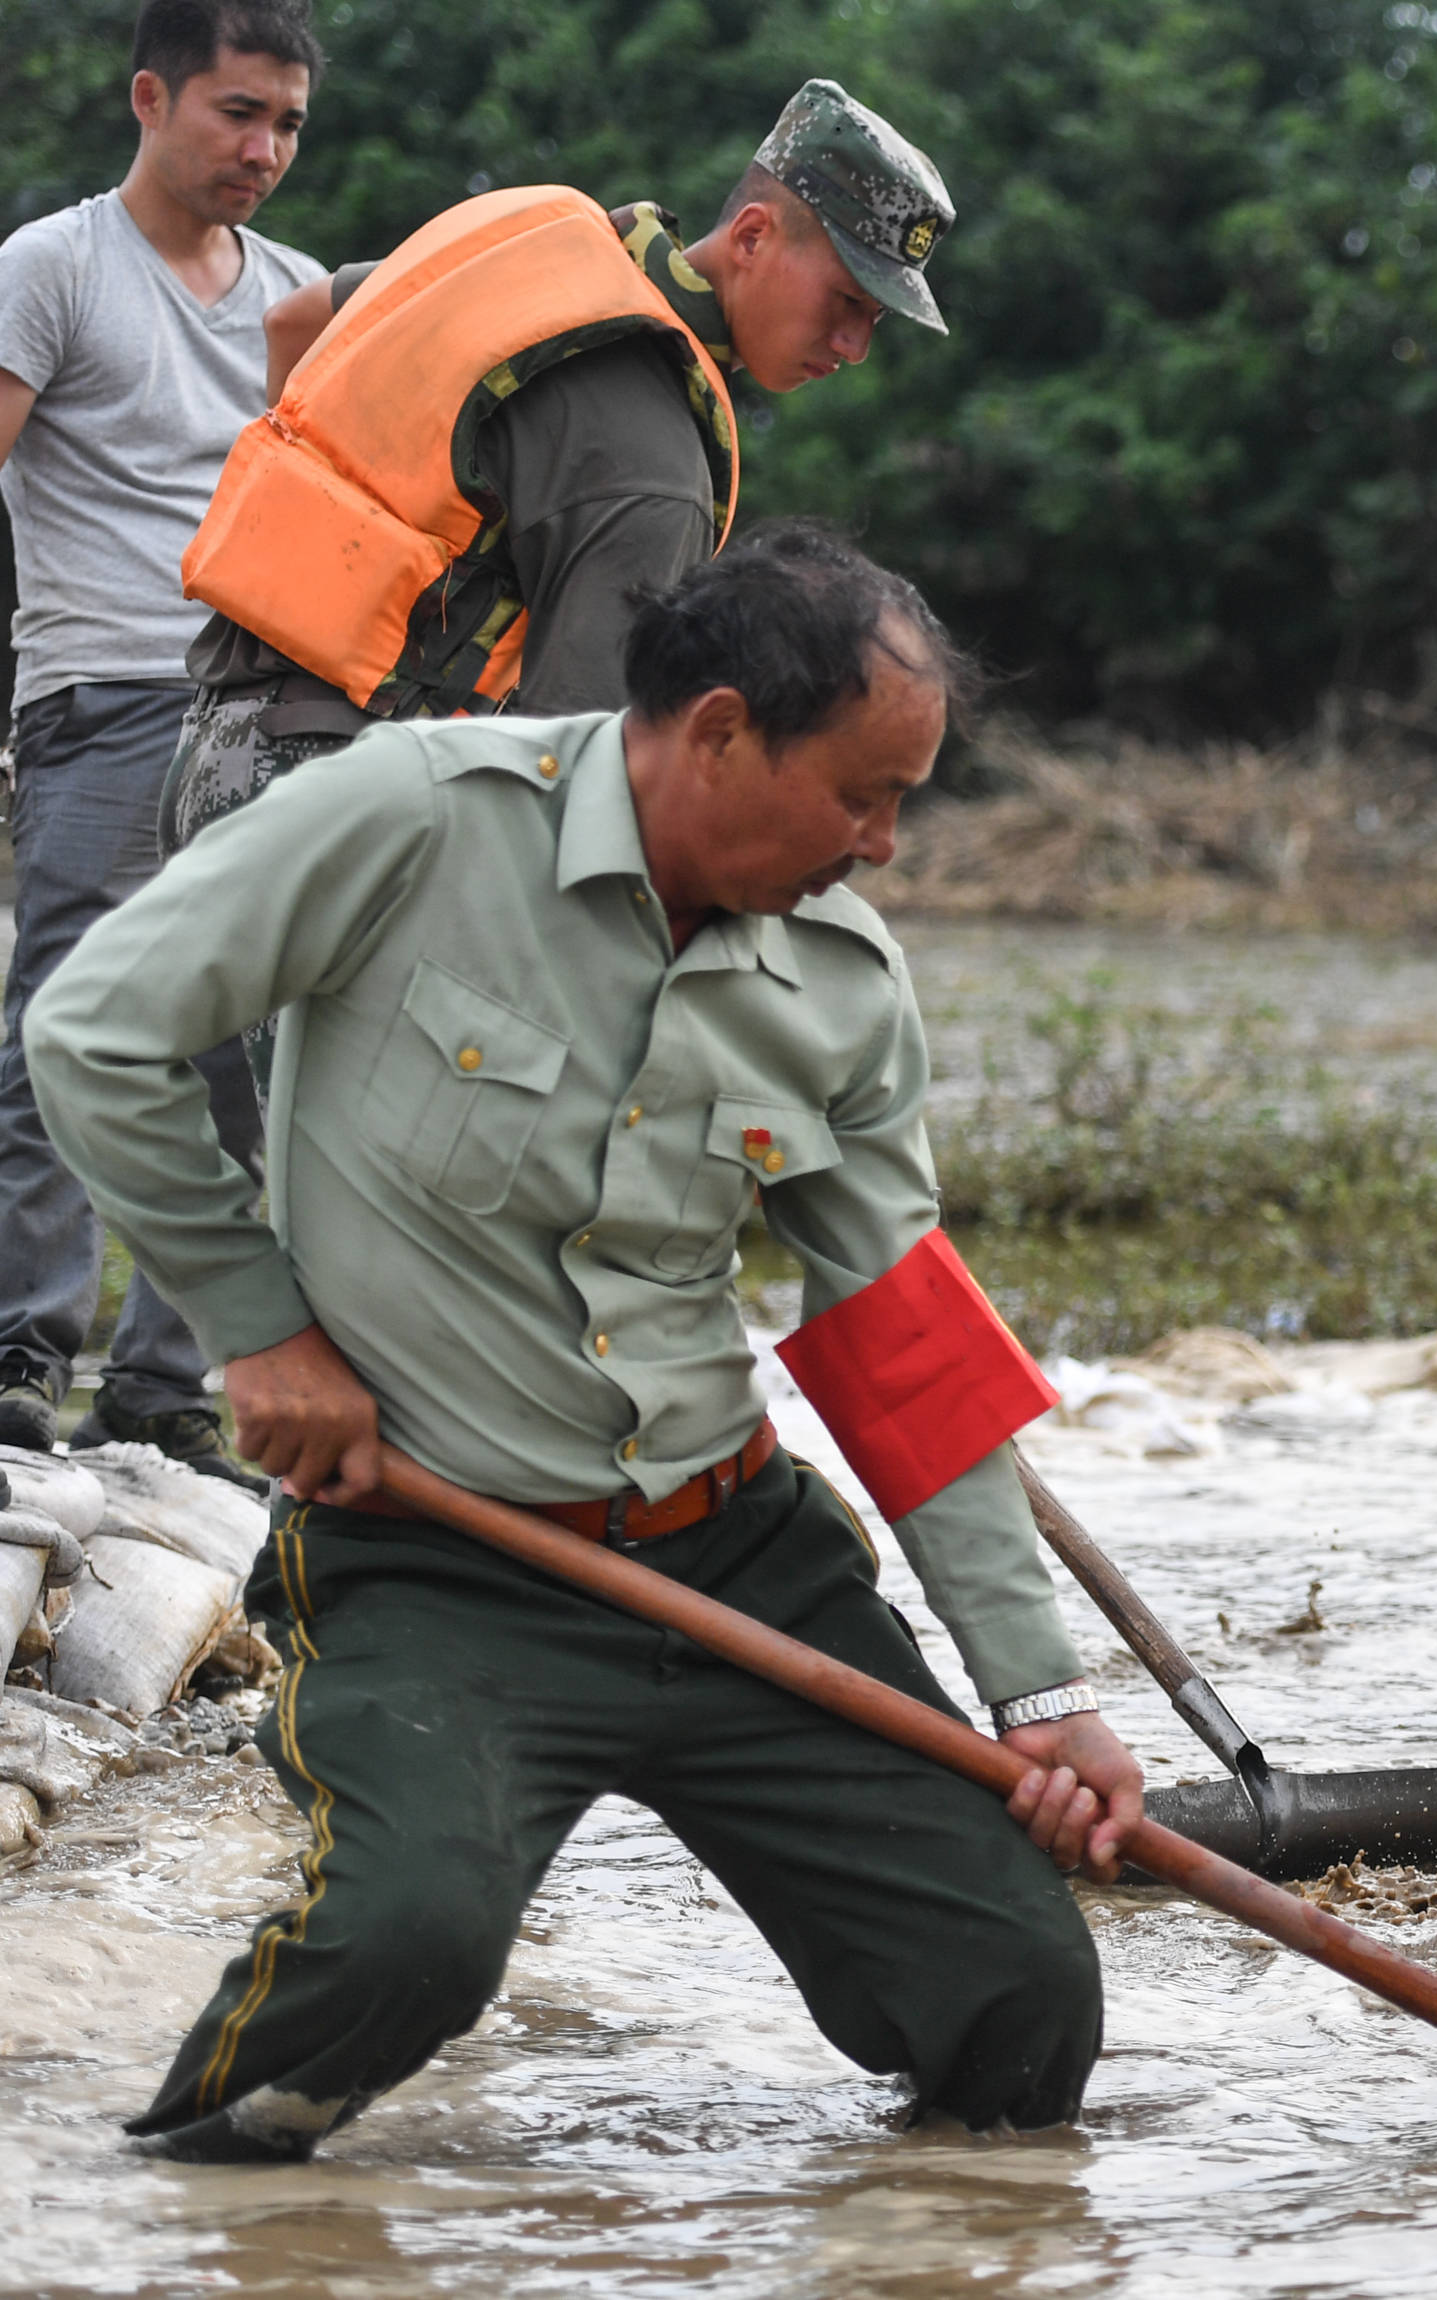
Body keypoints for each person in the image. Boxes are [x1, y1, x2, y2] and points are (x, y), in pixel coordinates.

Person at [26, 525, 1141, 2162]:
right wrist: (257, 1328)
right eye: (861, 795)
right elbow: (93, 1031)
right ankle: (214, 2203)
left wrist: (1037, 1692)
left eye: (907, 801)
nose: (889, 846)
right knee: (401, 1953)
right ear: (715, 733)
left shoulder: (839, 983)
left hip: (733, 1562)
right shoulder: (406, 816)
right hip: (439, 1558)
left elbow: (902, 1351)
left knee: (1021, 2011)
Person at [163, 75, 952, 870]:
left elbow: (291, 321)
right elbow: (566, 769)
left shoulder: (528, 248)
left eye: (874, 320)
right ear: (751, 237)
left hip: (214, 747)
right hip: (341, 803)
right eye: (846, 300)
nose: (854, 346)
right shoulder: (659, 470)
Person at [0, 0, 324, 1475]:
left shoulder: (304, 297)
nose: (262, 149)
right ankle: (23, 1347)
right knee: (64, 1022)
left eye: (287, 124)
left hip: (263, 701)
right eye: (236, 113)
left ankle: (165, 1386)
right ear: (150, 97)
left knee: (247, 1054)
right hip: (105, 689)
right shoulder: (52, 268)